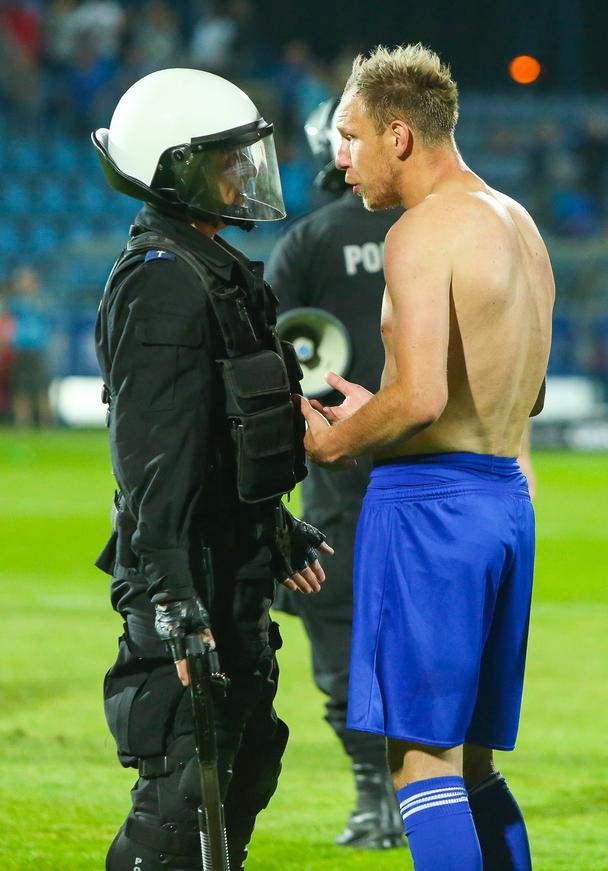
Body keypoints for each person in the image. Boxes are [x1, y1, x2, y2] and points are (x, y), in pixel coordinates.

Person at [300, 44, 554, 871]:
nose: (343, 158)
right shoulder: (517, 223)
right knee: (474, 760)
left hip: (430, 511)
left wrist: (338, 438)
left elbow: (420, 400)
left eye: (352, 135)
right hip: (502, 500)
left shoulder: (420, 231)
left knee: (421, 760)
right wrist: (390, 408)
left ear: (399, 135)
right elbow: (524, 397)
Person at [92, 67, 332, 871]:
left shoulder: (212, 267)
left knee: (244, 766)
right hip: (186, 576)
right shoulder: (162, 282)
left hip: (233, 567)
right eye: (225, 161)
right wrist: (173, 599)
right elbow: (153, 459)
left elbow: (228, 433)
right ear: (173, 166)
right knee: (178, 815)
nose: (243, 176)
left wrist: (275, 524)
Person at [266, 98, 403, 849]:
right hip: (431, 468)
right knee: (426, 637)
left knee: (339, 627)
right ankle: (433, 789)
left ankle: (372, 795)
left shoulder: (310, 238)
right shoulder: (436, 229)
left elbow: (267, 352)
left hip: (337, 471)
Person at [8, 266, 52, 428]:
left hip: (37, 348)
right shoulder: (15, 302)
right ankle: (22, 425)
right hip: (20, 349)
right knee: (21, 389)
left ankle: (46, 424)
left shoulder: (39, 300)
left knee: (41, 388)